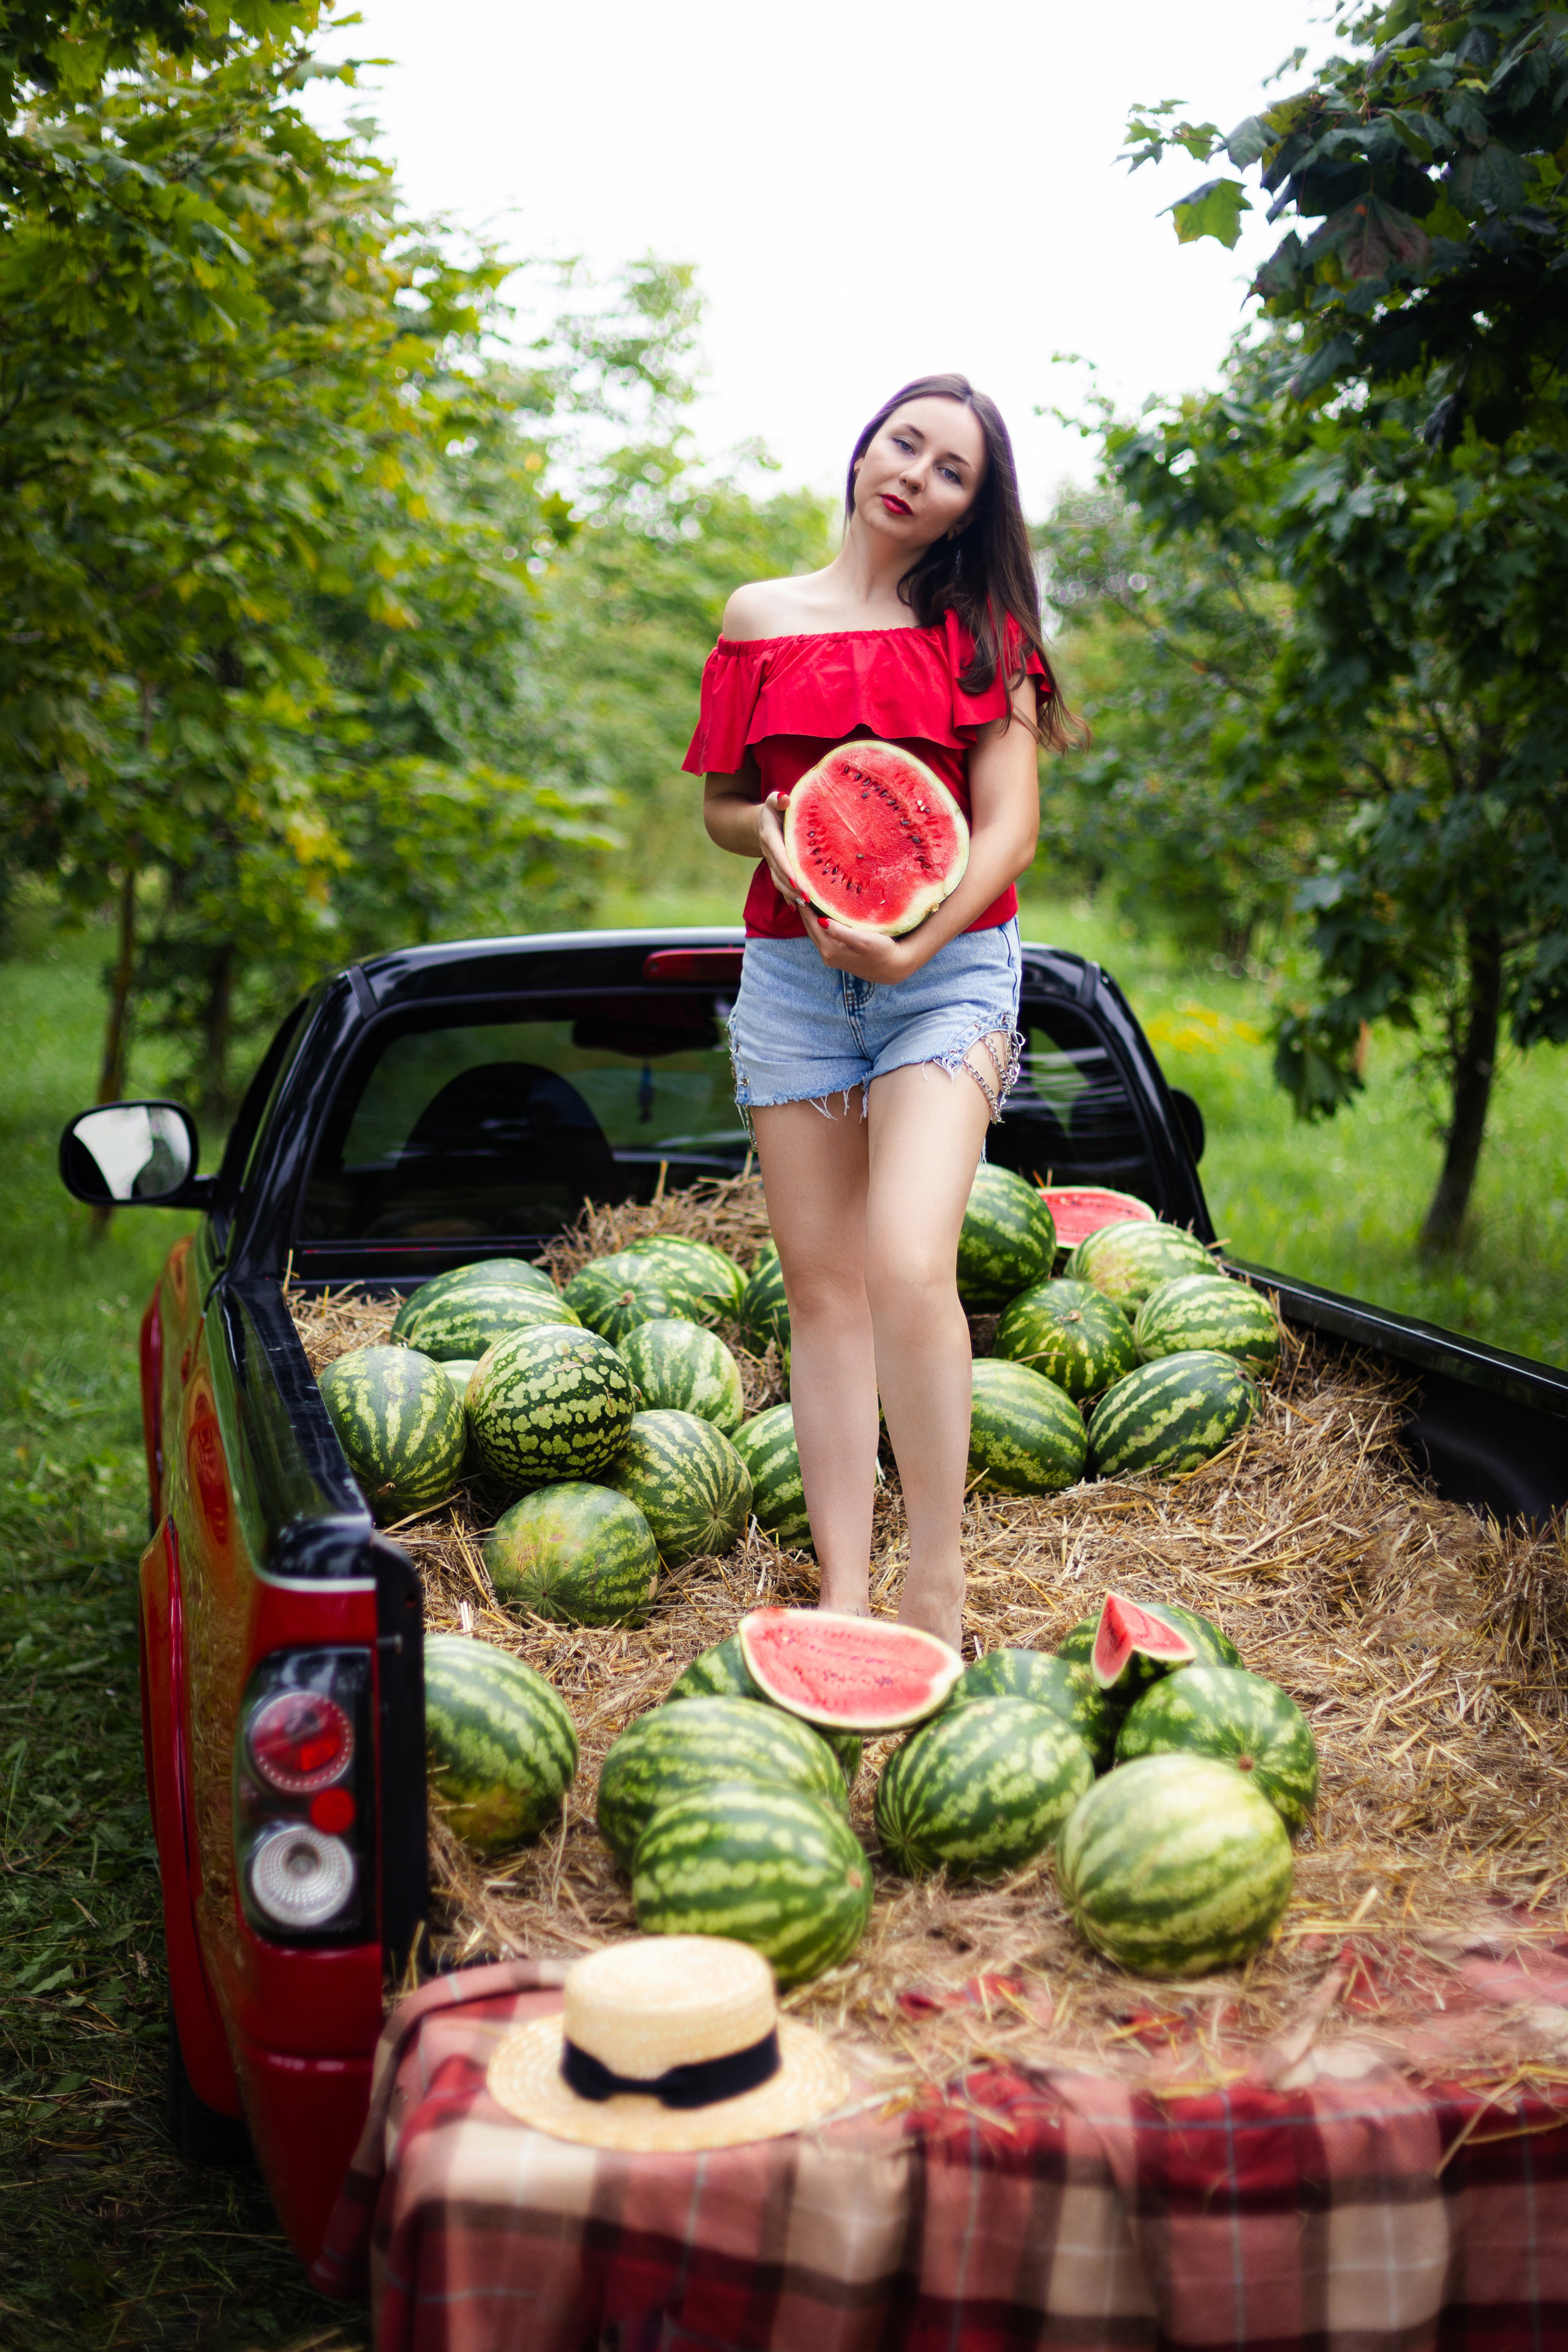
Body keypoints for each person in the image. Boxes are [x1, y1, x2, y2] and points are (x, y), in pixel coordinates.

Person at [684, 373, 1076, 1653]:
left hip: (950, 966)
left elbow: (1008, 824)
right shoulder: (759, 614)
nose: (913, 471)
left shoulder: (985, 633)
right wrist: (798, 828)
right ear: (864, 448)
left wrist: (913, 939)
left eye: (950, 467)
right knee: (824, 1289)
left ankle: (938, 1581)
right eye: (902, 441)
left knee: (910, 1259)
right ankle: (845, 1588)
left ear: (970, 508)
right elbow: (727, 807)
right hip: (795, 973)